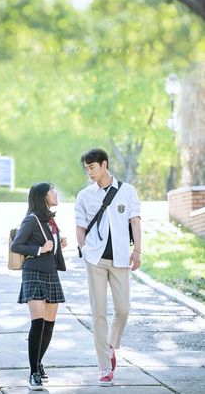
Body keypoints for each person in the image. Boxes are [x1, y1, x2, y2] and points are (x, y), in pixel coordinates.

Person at [75, 148, 141, 387]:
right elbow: (80, 227)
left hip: (121, 259)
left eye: (92, 167)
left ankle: (111, 346)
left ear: (104, 165)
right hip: (95, 261)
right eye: (86, 169)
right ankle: (104, 367)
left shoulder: (127, 191)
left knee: (123, 309)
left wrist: (138, 250)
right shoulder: (84, 195)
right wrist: (86, 251)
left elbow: (135, 221)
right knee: (99, 313)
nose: (89, 173)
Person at [11, 182, 67, 391]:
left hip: (51, 273)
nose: (56, 193)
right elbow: (16, 245)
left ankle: (39, 362)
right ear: (44, 196)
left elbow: (50, 246)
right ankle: (33, 373)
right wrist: (39, 249)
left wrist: (58, 245)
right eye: (53, 190)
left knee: (49, 324)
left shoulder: (50, 221)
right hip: (33, 273)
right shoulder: (32, 219)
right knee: (38, 322)